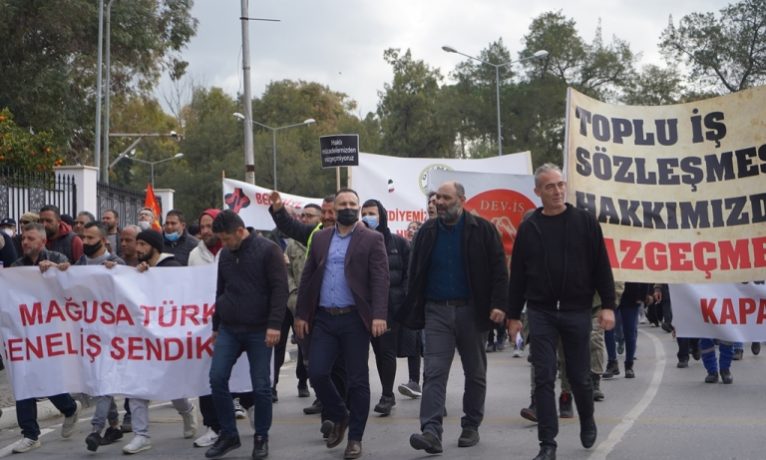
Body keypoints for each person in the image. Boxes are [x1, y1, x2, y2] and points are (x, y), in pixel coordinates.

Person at [507, 163, 616, 460]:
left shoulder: (585, 222)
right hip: (540, 312)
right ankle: (547, 444)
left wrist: (608, 306)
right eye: (550, 187)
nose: (557, 191)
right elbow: (517, 275)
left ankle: (587, 418)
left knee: (580, 377)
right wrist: (513, 315)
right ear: (538, 192)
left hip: (576, 311)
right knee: (543, 376)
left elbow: (601, 267)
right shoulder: (529, 228)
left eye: (560, 184)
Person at [399, 181, 508, 454]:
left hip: (472, 311)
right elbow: (415, 271)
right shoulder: (426, 232)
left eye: (446, 198)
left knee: (475, 371)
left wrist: (498, 304)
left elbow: (498, 270)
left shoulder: (482, 230)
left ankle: (471, 424)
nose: (440, 202)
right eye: (437, 198)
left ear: (462, 199)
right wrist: (414, 306)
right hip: (436, 312)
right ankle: (431, 431)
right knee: (434, 372)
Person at [294, 188, 389, 460]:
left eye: (352, 203)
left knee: (358, 380)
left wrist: (379, 315)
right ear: (333, 210)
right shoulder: (322, 238)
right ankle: (340, 414)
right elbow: (308, 276)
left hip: (354, 320)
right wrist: (301, 314)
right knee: (318, 373)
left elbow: (380, 279)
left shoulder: (372, 239)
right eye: (342, 204)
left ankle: (355, 439)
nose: (348, 207)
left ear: (358, 208)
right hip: (323, 318)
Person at [204, 210, 288, 460]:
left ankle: (261, 436)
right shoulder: (226, 255)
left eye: (227, 239)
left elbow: (279, 291)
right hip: (229, 328)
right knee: (217, 378)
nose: (224, 245)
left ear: (240, 231)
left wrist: (275, 325)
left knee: (261, 386)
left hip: (260, 329)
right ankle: (229, 434)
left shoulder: (268, 250)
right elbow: (221, 290)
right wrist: (216, 326)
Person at [121, 229, 198, 454]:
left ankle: (187, 411)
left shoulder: (172, 268)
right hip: (143, 341)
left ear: (155, 247)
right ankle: (141, 435)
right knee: (136, 387)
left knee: (172, 387)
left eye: (143, 244)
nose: (138, 249)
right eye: (138, 244)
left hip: (167, 340)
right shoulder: (139, 270)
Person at [9, 223, 81, 453]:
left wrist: (56, 270)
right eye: (23, 239)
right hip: (26, 333)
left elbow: (71, 284)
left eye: (30, 239)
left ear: (42, 242)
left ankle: (69, 408)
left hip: (52, 332)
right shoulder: (17, 266)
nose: (25, 243)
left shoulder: (57, 257)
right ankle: (30, 434)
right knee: (24, 378)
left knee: (46, 377)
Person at [56, 222, 126, 451]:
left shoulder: (117, 265)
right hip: (89, 337)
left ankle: (96, 430)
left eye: (90, 238)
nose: (84, 242)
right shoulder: (80, 265)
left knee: (104, 382)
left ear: (104, 241)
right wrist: (61, 271)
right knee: (100, 382)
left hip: (113, 336)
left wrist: (117, 275)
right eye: (83, 237)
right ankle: (114, 425)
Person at [360, 198, 410, 416]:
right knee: (366, 354)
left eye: (371, 213)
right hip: (363, 307)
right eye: (364, 213)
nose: (367, 217)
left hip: (389, 307)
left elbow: (409, 274)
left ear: (382, 215)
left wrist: (403, 301)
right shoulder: (358, 241)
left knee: (385, 351)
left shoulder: (398, 243)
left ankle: (387, 395)